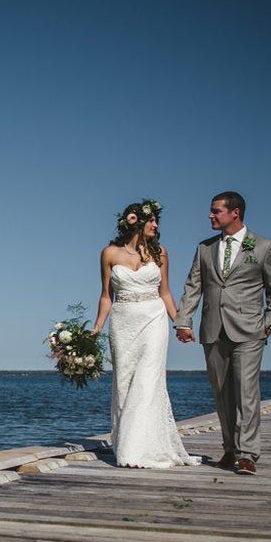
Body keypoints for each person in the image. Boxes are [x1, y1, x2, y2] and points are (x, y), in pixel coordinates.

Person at [174, 192, 271, 475]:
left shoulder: (264, 247)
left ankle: (247, 454)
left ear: (235, 213)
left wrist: (268, 325)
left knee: (247, 393)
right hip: (213, 330)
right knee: (222, 393)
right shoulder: (205, 248)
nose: (210, 215)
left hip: (250, 331)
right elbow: (193, 287)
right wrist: (183, 321)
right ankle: (230, 449)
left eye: (216, 211)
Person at [91, 200, 201, 468]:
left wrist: (180, 323)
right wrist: (97, 327)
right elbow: (106, 296)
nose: (155, 225)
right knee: (124, 381)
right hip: (123, 321)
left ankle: (141, 448)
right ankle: (125, 443)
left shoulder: (160, 253)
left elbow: (165, 293)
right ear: (134, 222)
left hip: (154, 319)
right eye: (151, 220)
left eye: (156, 221)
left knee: (149, 380)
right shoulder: (109, 253)